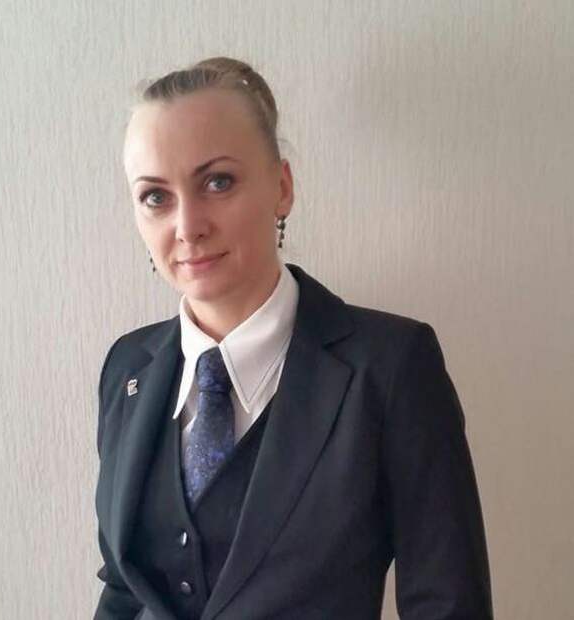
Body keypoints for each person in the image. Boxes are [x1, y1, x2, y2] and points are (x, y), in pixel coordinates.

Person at [93, 57, 494, 620]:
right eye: (156, 197)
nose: (187, 227)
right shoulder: (127, 368)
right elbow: (123, 588)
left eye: (218, 182)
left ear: (281, 188)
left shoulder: (392, 368)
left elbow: (448, 603)